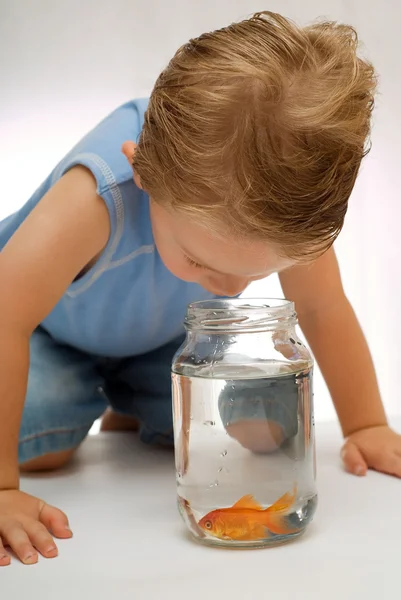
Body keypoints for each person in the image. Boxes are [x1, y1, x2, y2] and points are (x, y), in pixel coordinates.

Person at [0, 10, 399, 567]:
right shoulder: (98, 196)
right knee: (48, 443)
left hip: (158, 343)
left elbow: (321, 304)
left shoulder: (283, 205)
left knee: (266, 428)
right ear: (143, 173)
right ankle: (100, 403)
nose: (232, 288)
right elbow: (5, 317)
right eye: (199, 260)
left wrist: (367, 423)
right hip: (41, 333)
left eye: (255, 272)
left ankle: (131, 404)